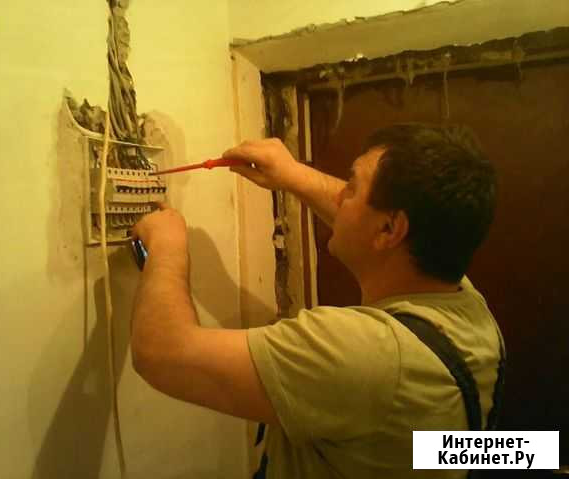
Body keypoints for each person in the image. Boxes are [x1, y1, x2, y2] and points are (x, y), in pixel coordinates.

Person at [130, 123, 503, 478]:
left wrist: (167, 246)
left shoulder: (369, 354)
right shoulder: (463, 305)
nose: (340, 195)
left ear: (390, 229)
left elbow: (163, 354)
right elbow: (471, 451)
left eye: (351, 188)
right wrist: (292, 174)